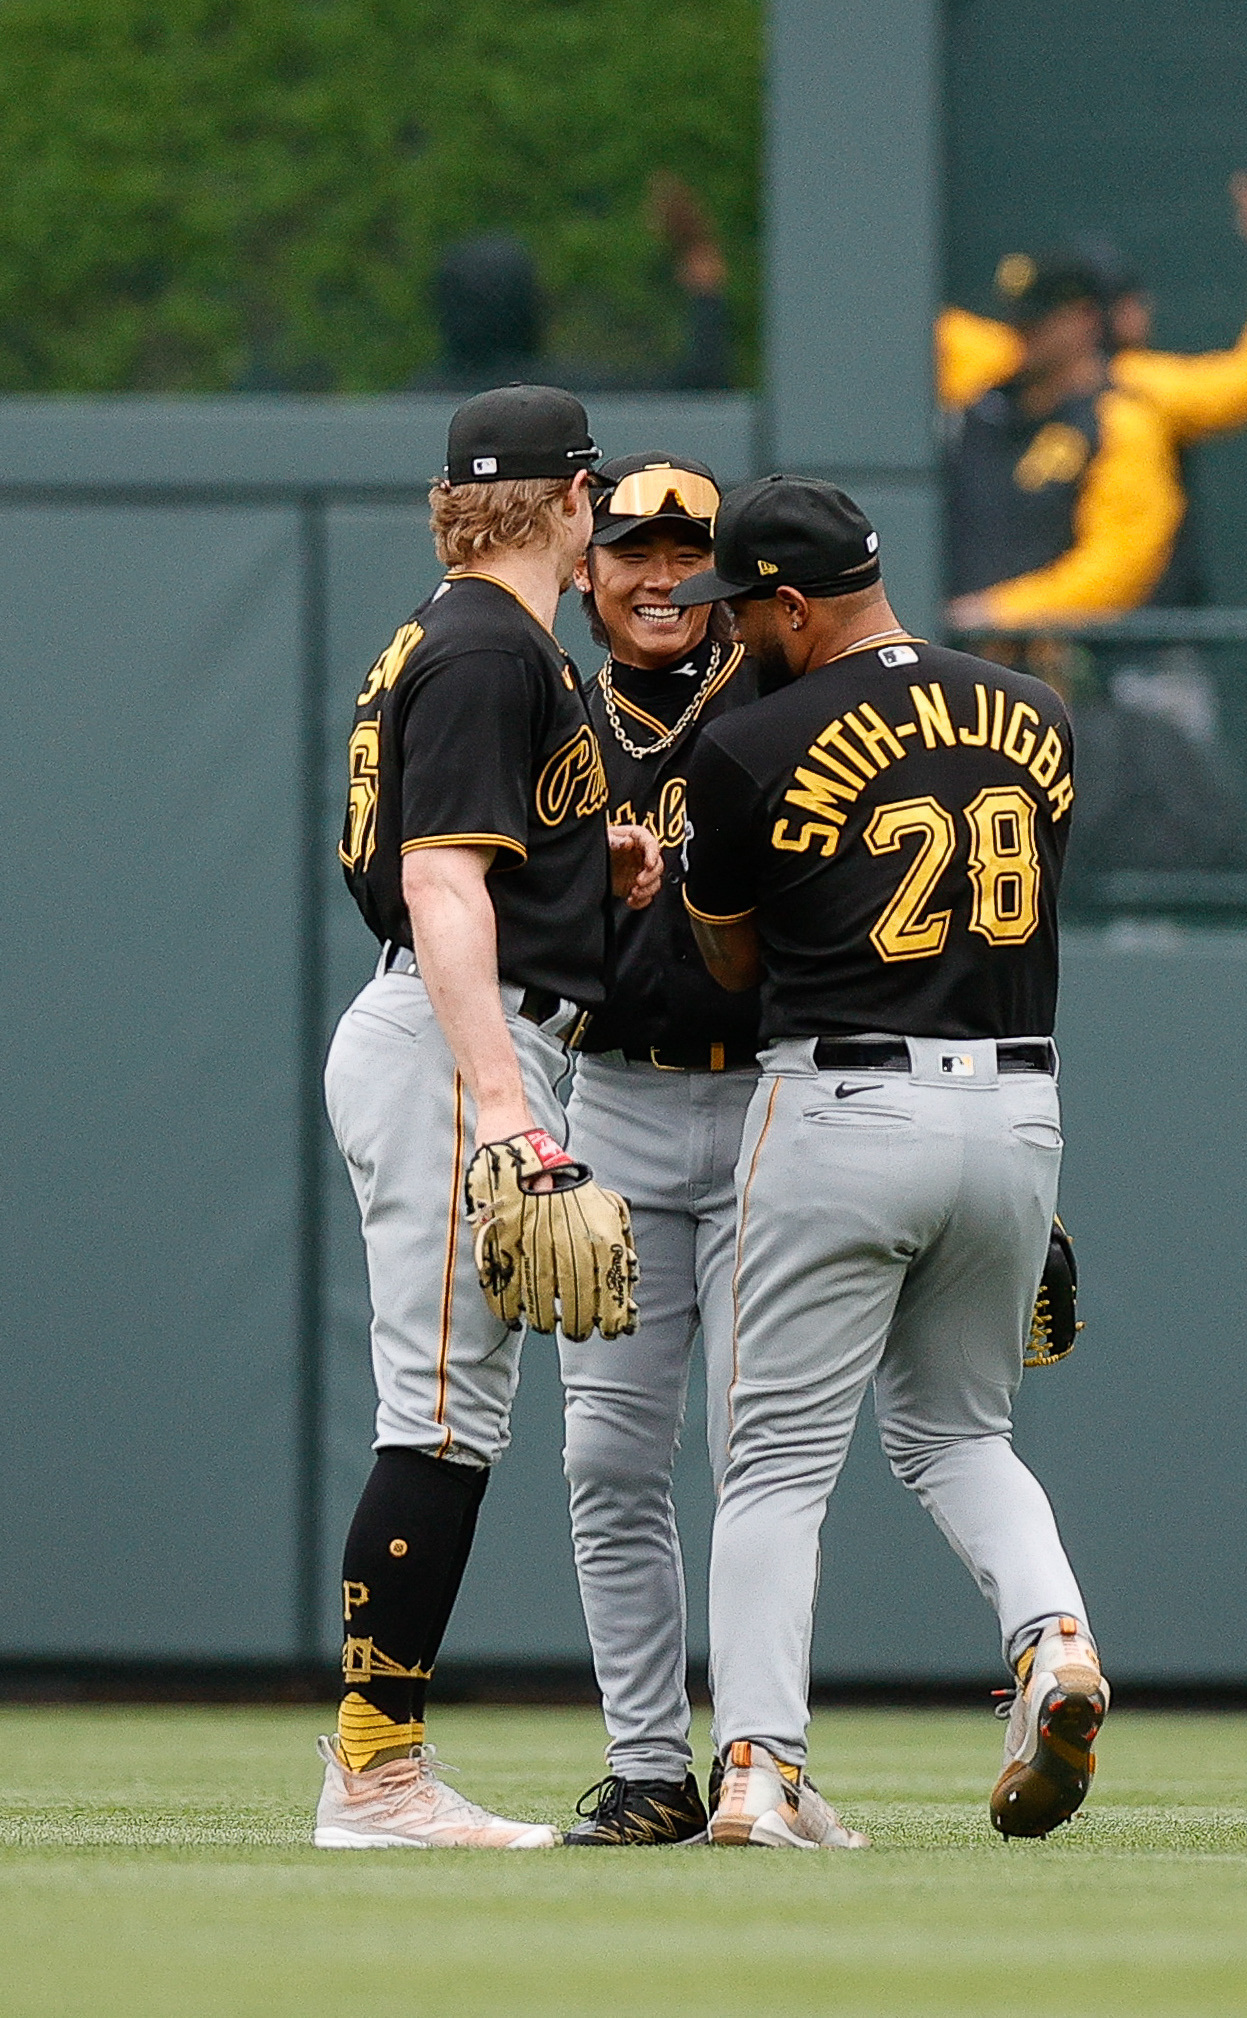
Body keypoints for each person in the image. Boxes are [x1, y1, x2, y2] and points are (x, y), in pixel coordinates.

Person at [672, 476, 1105, 1849]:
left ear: (794, 602)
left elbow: (732, 956)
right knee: (962, 1432)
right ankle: (1052, 1642)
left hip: (842, 1101)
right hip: (1015, 1103)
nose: (725, 635)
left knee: (775, 1465)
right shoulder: (1033, 712)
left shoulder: (748, 741)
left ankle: (754, 1765)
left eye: (739, 609)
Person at [315, 385, 662, 1850]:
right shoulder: (479, 647)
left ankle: (375, 1763)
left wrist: (594, 870)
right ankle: (375, 1775)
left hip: (466, 1029)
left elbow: (488, 871)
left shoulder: (465, 636)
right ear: (573, 499)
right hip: (459, 1042)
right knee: (440, 1420)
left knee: (451, 1418)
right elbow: (440, 887)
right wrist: (513, 1115)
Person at [544, 453, 761, 1847]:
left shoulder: (785, 695)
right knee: (607, 1456)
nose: (662, 571)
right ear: (586, 565)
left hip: (766, 1100)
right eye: (633, 546)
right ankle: (648, 1766)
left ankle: (759, 1759)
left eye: (689, 546)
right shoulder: (544, 703)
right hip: (609, 1093)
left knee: (764, 1454)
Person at [938, 174, 1247, 627]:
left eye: (1039, 323)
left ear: (1083, 318)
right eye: (1021, 323)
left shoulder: (1132, 395)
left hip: (1131, 647)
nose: (1026, 334)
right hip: (1000, 649)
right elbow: (930, 331)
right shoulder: (1001, 364)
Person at [412, 176, 735, 393]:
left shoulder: (412, 404)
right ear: (527, 309)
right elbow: (696, 389)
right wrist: (705, 289)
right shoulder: (564, 401)